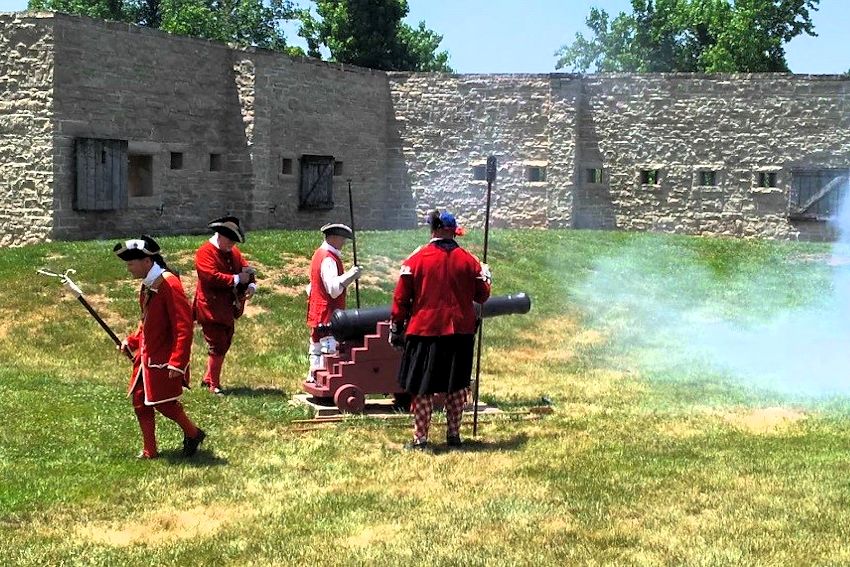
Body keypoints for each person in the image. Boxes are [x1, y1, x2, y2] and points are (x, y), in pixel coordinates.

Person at [389, 210, 491, 451]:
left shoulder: (416, 259)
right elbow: (482, 295)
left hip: (425, 330)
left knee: (423, 388)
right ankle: (453, 435)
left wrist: (396, 326)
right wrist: (486, 276)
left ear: (432, 230)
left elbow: (401, 298)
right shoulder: (470, 261)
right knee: (456, 386)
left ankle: (421, 439)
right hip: (460, 332)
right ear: (454, 231)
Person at [114, 235, 206, 459]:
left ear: (147, 261)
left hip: (163, 358)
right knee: (140, 400)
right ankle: (150, 450)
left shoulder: (169, 284)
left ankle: (194, 433)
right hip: (147, 357)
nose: (128, 269)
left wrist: (178, 362)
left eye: (131, 263)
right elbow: (146, 321)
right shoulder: (147, 285)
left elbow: (183, 326)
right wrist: (132, 341)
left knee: (164, 404)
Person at [193, 216, 256, 395]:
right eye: (229, 241)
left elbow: (245, 268)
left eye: (233, 242)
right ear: (220, 236)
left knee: (225, 341)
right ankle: (214, 385)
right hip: (210, 307)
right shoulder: (205, 252)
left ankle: (208, 377)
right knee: (217, 344)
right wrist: (236, 279)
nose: (231, 246)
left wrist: (251, 284)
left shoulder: (233, 252)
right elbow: (210, 276)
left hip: (227, 308)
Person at [305, 223, 362, 381]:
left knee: (316, 346)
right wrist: (351, 275)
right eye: (342, 239)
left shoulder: (319, 254)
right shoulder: (328, 259)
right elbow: (333, 289)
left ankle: (313, 376)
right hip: (328, 312)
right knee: (327, 348)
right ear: (334, 238)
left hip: (318, 309)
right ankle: (322, 378)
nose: (343, 243)